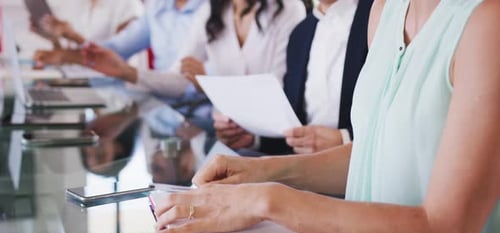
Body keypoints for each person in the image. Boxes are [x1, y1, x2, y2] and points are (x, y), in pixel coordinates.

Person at [152, 0, 500, 233]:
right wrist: (261, 172)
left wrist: (265, 199)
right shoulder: (385, 10)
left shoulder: (488, 21)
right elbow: (376, 151)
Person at [214, 0, 373, 155]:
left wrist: (345, 139)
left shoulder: (377, 15)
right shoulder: (300, 34)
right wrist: (253, 138)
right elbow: (294, 124)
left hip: (357, 162)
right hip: (304, 164)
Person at [81, 0, 307, 99]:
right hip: (221, 132)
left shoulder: (288, 9)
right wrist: (125, 71)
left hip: (266, 141)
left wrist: (209, 81)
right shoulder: (211, 10)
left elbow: (275, 90)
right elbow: (178, 78)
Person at [33, 0, 204, 71]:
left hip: (195, 107)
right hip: (161, 101)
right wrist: (61, 49)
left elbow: (117, 59)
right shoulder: (158, 7)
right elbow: (115, 49)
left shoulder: (210, 9)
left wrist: (73, 43)